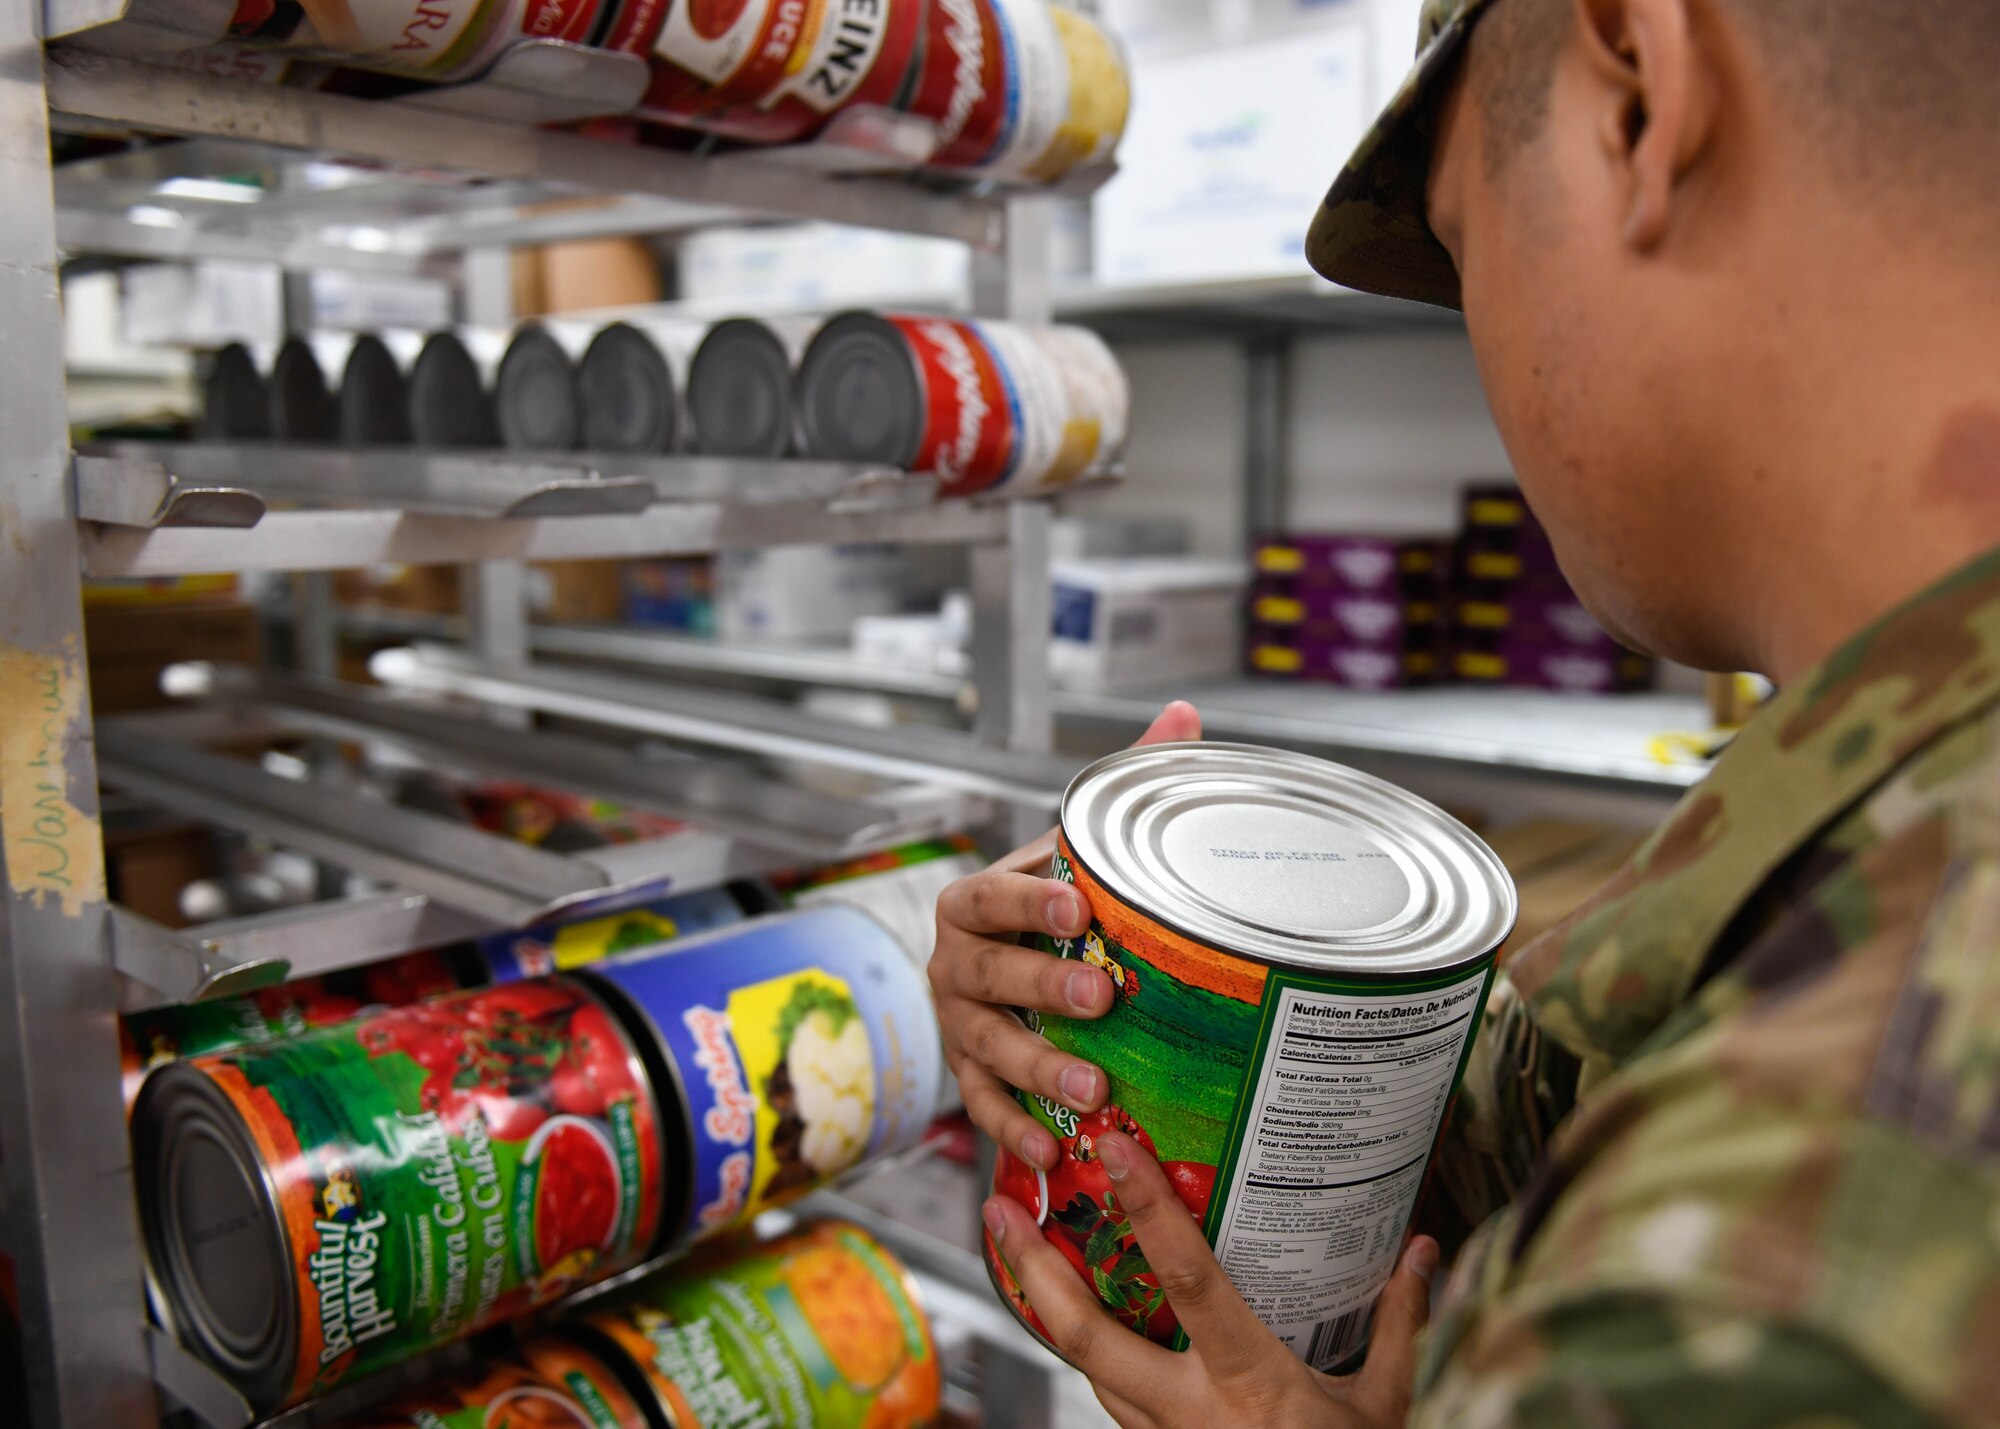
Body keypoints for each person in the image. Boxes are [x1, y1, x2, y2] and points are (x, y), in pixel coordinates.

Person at [930, 0, 2000, 1423]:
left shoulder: (1723, 1291)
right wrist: (1139, 1016)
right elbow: (1565, 1083)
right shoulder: (1890, 813)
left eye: (1462, 241)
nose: (1475, 344)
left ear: (1638, 92)